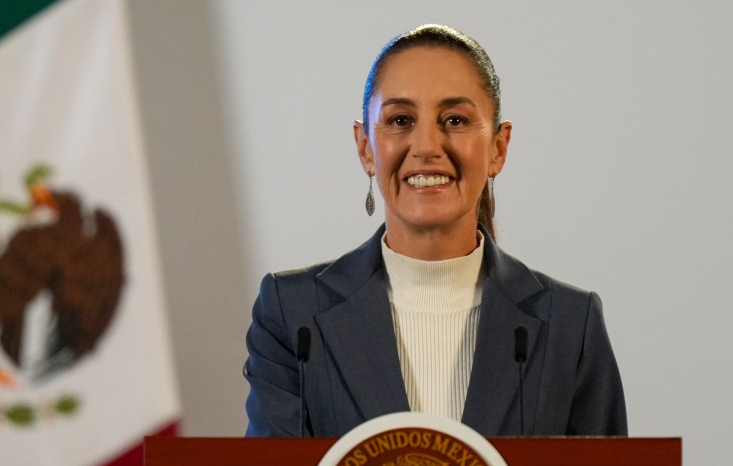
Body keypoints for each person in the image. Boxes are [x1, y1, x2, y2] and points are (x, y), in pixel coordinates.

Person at [243, 24, 626, 438]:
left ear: (498, 148)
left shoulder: (569, 324)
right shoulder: (293, 315)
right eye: (401, 120)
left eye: (455, 120)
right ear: (366, 147)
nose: (426, 146)